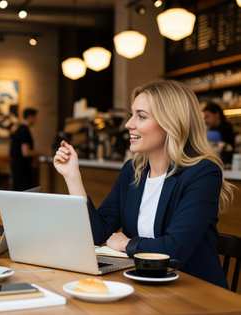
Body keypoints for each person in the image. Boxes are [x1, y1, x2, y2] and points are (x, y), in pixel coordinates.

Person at [54, 80, 233, 288]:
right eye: (132, 115)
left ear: (171, 123)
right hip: (144, 285)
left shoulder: (202, 174)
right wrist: (72, 176)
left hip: (195, 292)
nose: (129, 124)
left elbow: (174, 248)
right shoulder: (133, 170)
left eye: (141, 116)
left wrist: (127, 244)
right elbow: (97, 234)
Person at [9, 108, 47, 191]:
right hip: (21, 169)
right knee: (22, 193)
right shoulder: (24, 130)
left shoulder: (20, 129)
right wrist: (44, 152)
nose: (36, 120)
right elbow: (26, 152)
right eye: (35, 118)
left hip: (18, 167)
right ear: (30, 117)